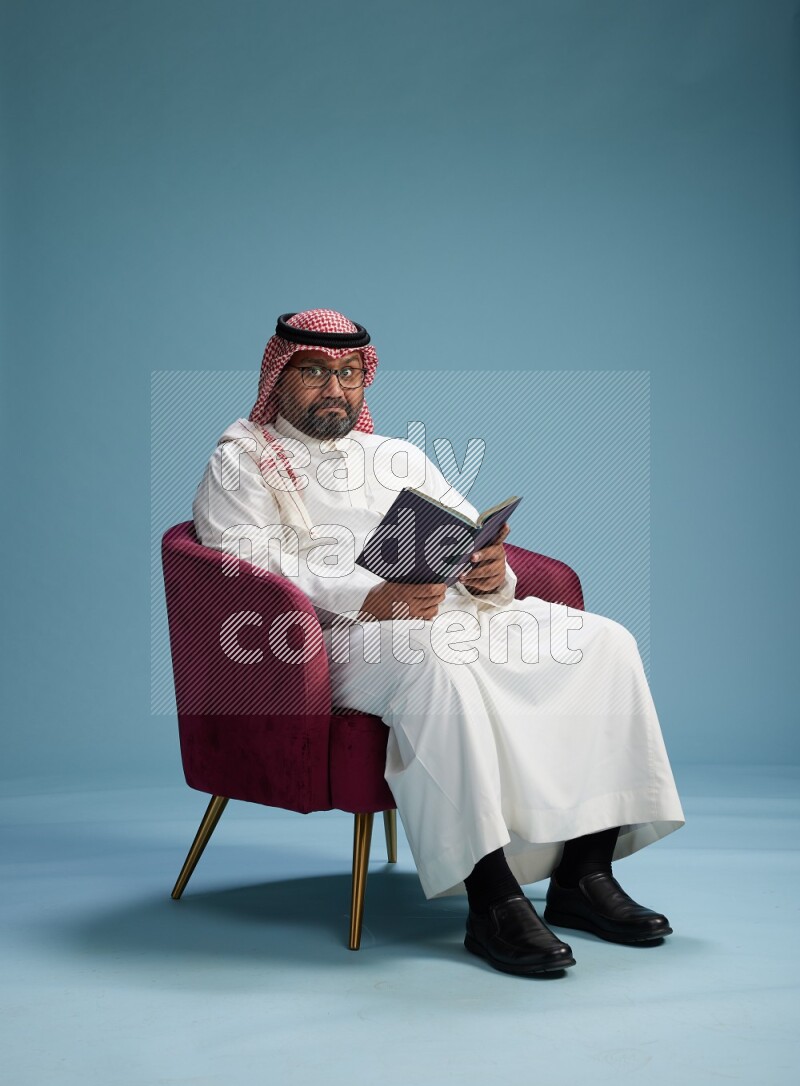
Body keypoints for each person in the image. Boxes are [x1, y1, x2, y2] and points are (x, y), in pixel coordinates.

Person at [192, 308, 685, 976]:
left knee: (602, 643)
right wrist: (371, 597)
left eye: (347, 374)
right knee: (436, 666)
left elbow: (459, 527)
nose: (334, 389)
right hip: (327, 641)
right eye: (313, 372)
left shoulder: (394, 455)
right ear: (279, 375)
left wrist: (489, 571)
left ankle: (583, 877)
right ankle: (492, 901)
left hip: (446, 611)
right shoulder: (241, 461)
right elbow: (245, 566)